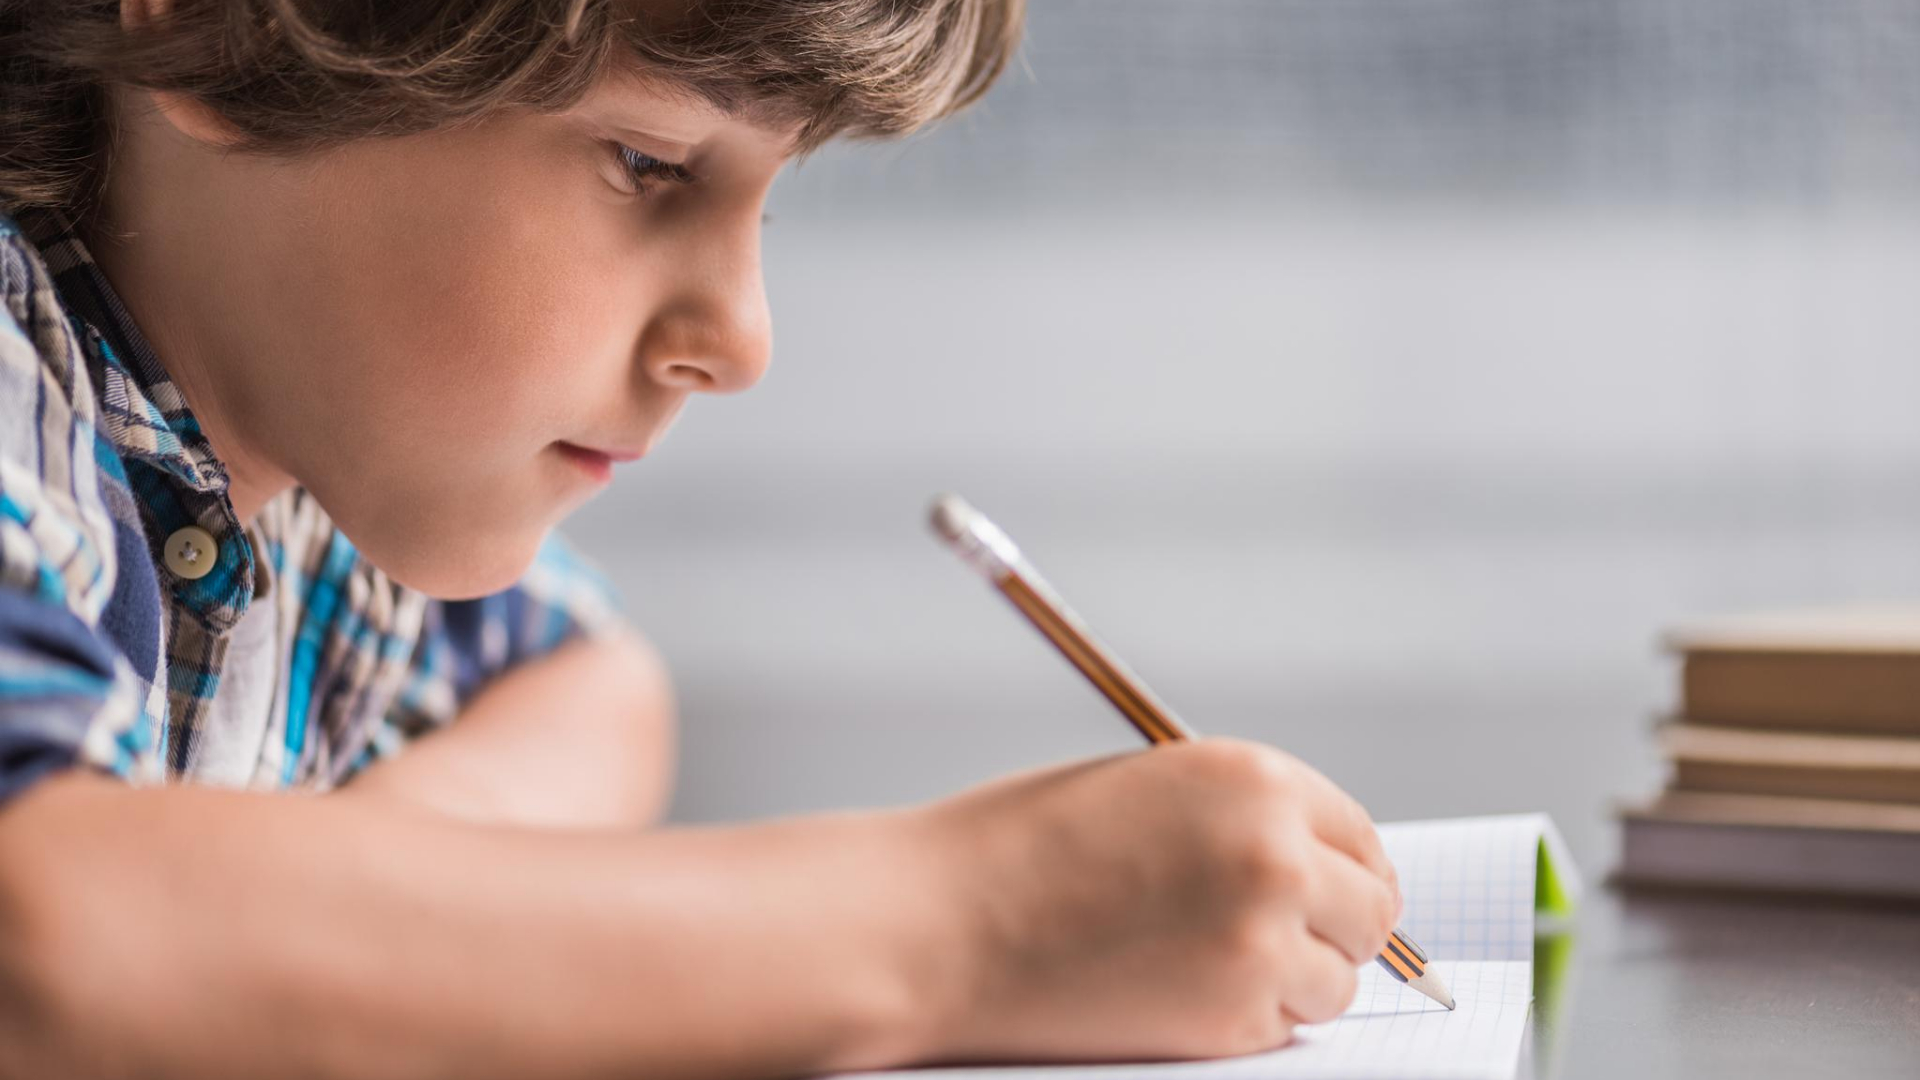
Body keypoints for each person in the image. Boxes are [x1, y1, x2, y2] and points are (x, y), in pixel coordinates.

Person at [0, 2, 1402, 1076]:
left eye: (768, 198)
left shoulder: (320, 476)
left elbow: (594, 688)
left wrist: (319, 926)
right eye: (648, 164)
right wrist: (974, 924)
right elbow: (42, 934)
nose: (742, 339)